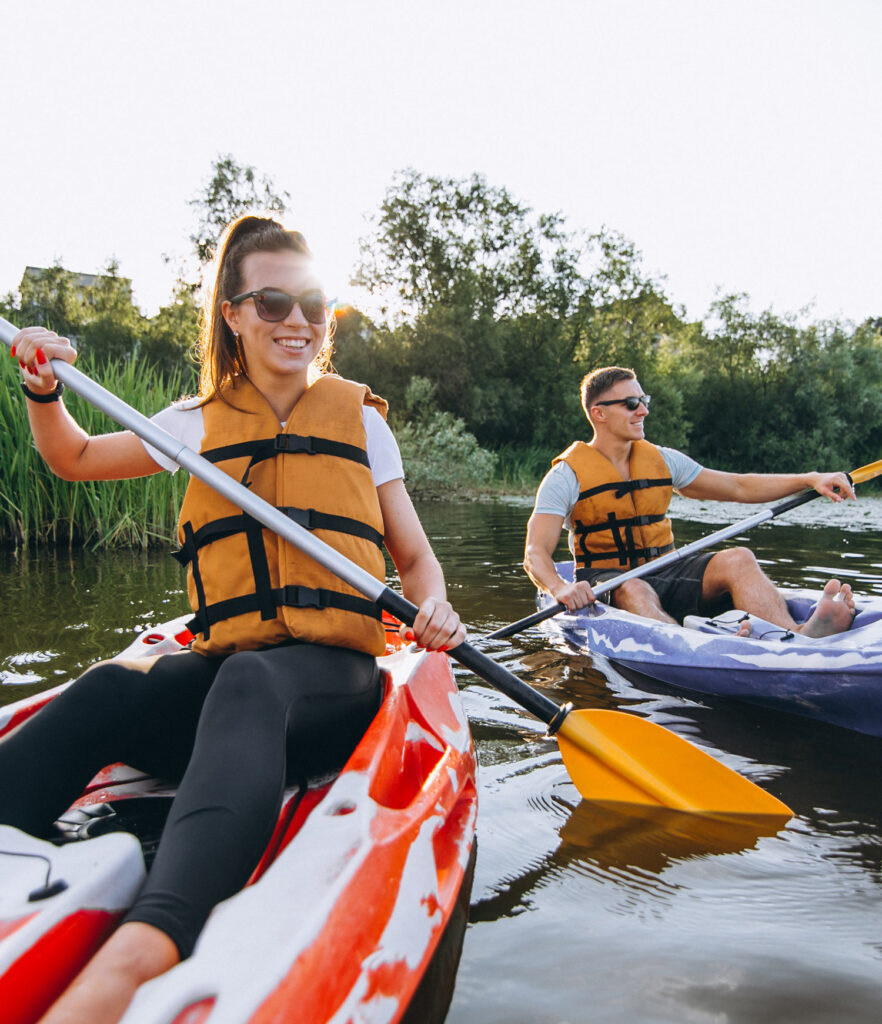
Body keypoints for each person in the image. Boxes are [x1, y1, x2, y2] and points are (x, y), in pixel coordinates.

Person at [3, 216, 466, 1024]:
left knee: (254, 680)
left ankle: (150, 941)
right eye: (274, 302)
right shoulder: (192, 422)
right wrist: (42, 390)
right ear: (234, 313)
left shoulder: (361, 420)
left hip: (328, 687)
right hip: (230, 673)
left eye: (314, 304)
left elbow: (416, 559)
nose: (298, 321)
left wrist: (436, 605)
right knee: (117, 686)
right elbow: (72, 459)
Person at [524, 365, 857, 638]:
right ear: (599, 413)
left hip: (667, 571)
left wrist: (809, 479)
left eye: (644, 399)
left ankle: (796, 635)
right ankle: (701, 645)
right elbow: (535, 553)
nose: (644, 410)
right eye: (631, 403)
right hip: (610, 582)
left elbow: (738, 487)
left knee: (739, 558)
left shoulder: (664, 460)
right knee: (634, 589)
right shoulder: (566, 476)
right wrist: (557, 587)